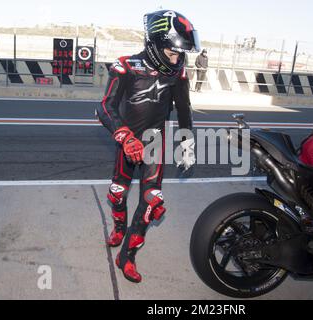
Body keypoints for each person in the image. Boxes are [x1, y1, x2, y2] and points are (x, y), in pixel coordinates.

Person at [95, 10, 200, 283]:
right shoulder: (126, 66)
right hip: (128, 143)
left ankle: (127, 256)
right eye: (172, 52)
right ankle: (119, 227)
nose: (178, 58)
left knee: (153, 202)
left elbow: (184, 110)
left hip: (155, 144)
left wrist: (187, 144)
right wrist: (125, 137)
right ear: (154, 44)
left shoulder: (179, 73)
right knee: (117, 193)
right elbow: (104, 107)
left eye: (181, 52)